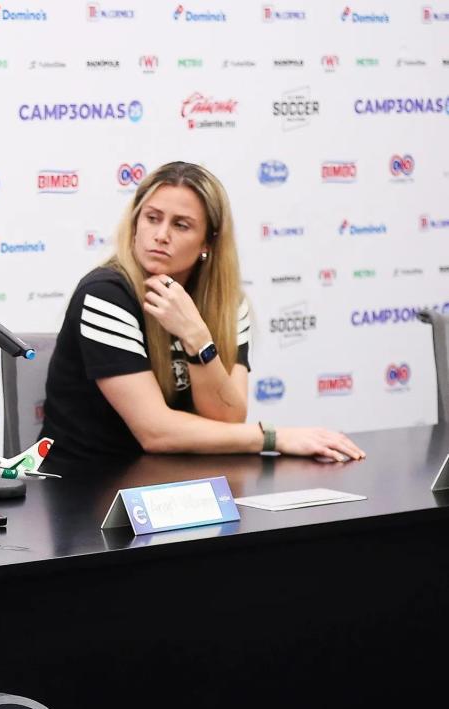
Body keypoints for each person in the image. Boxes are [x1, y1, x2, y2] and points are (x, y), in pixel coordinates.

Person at [40, 160, 364, 474]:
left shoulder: (227, 303)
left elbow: (227, 420)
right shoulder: (105, 294)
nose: (161, 235)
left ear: (207, 241)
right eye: (152, 218)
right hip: (84, 483)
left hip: (174, 481)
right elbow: (155, 432)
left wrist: (197, 338)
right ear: (135, 223)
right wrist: (273, 437)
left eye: (181, 225)